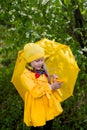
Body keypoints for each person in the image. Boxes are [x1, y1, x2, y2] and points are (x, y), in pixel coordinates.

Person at [19, 43, 63, 130]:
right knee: (37, 124)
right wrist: (51, 87)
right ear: (29, 61)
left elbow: (46, 83)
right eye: (37, 61)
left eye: (42, 60)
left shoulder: (42, 70)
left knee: (49, 122)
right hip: (36, 104)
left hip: (47, 102)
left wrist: (53, 79)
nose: (40, 63)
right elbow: (35, 92)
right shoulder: (25, 75)